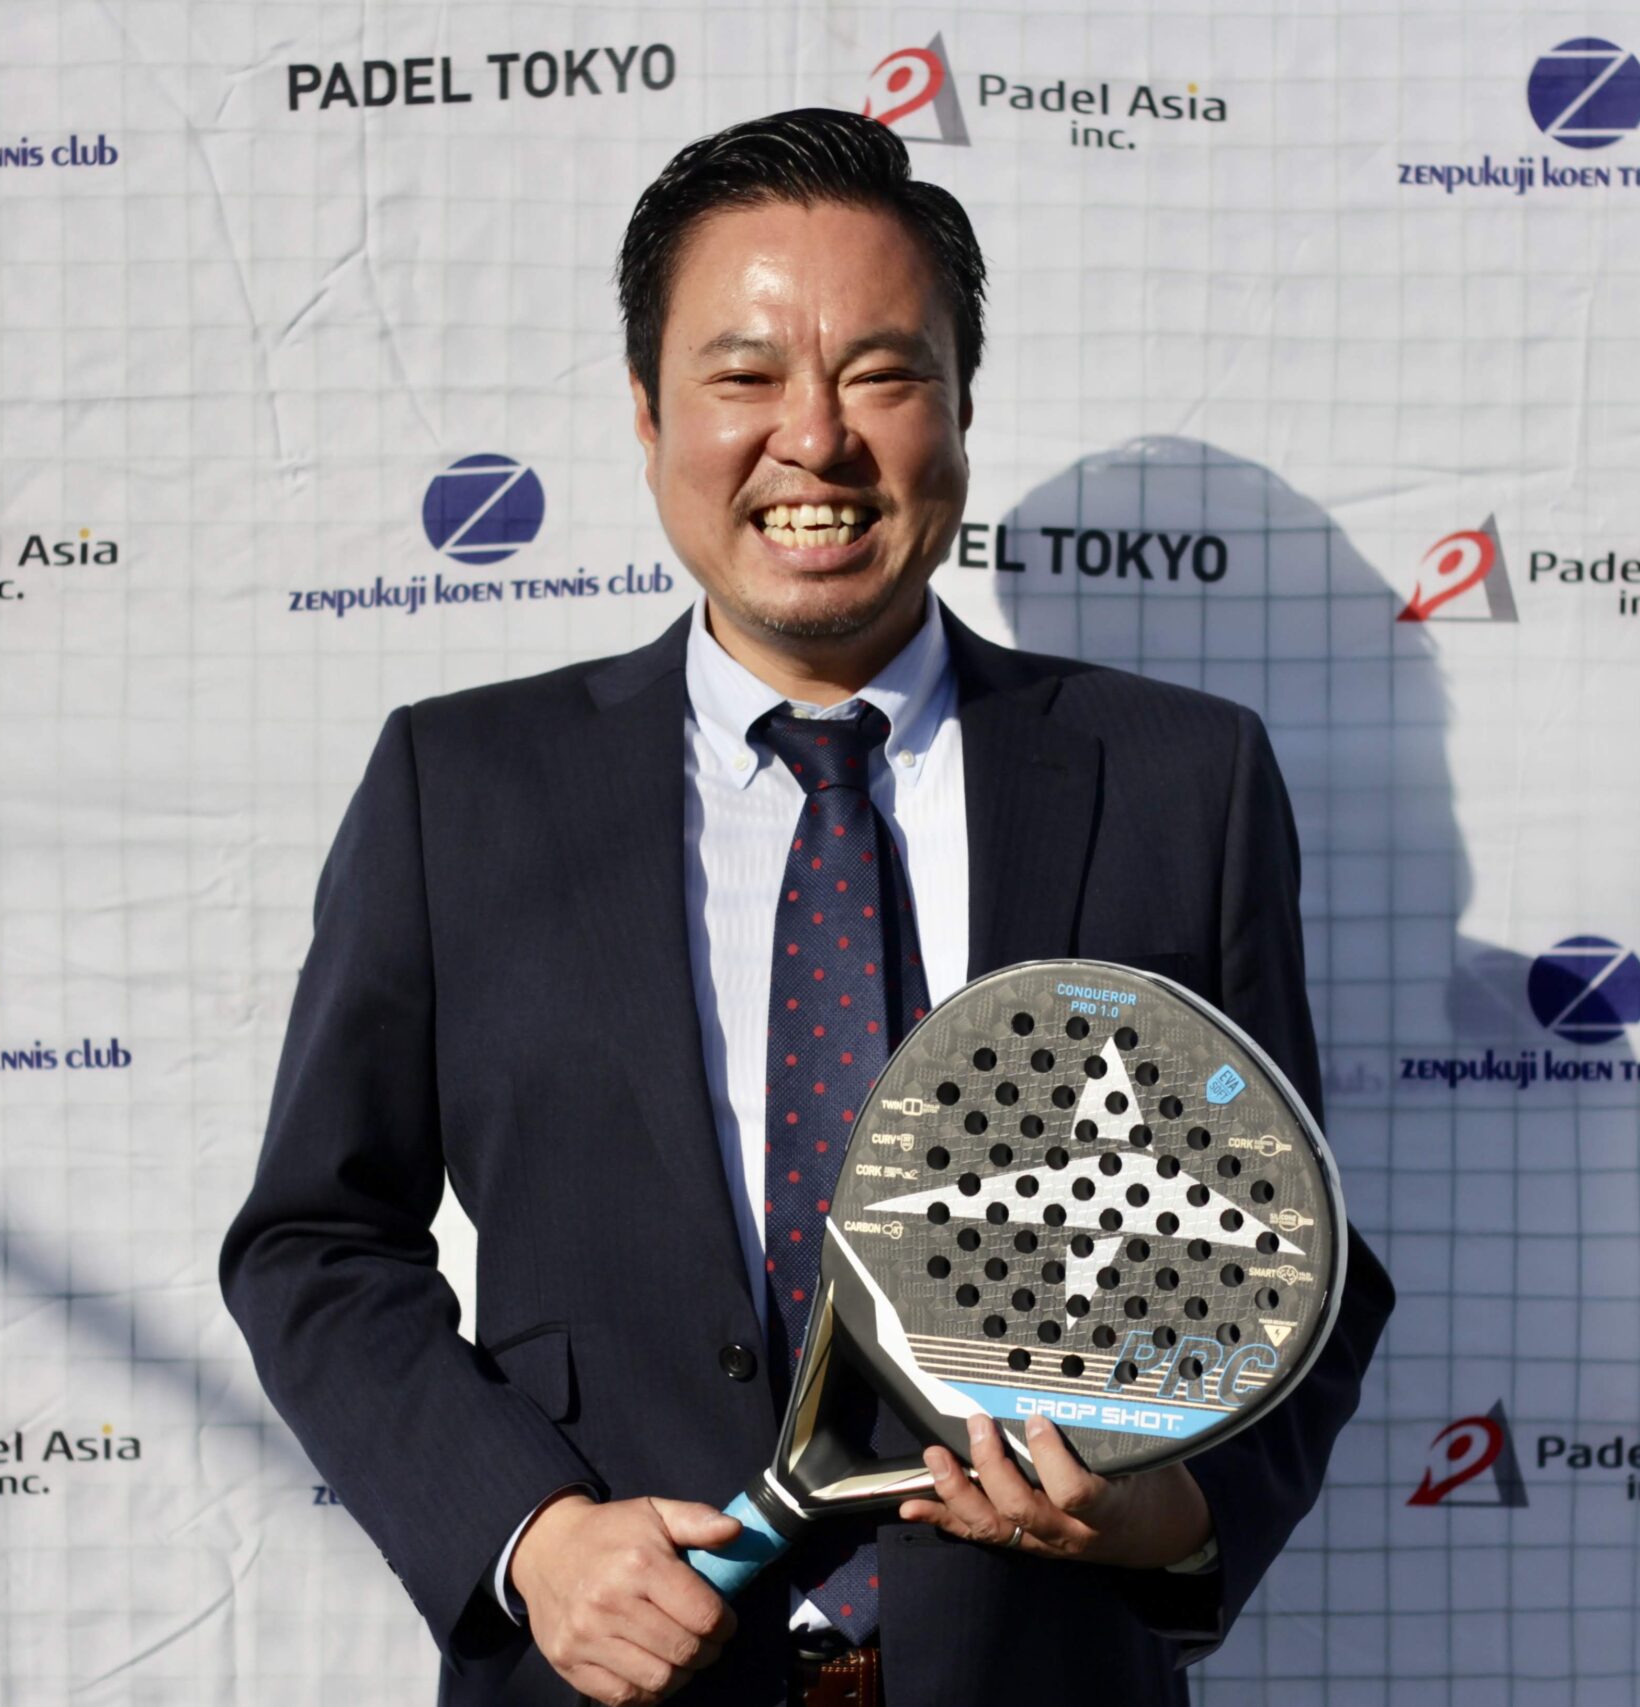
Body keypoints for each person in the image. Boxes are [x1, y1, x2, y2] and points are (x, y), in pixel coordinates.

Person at [222, 108, 1392, 1707]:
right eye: (746, 375)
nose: (815, 440)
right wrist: (529, 1536)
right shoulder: (463, 789)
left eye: (882, 375)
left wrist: (1178, 1516)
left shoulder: (1182, 781)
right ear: (648, 416)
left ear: (962, 408)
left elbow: (1300, 1259)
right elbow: (316, 1241)